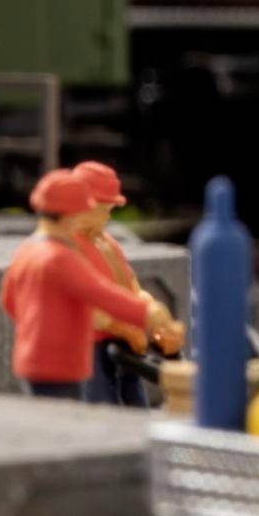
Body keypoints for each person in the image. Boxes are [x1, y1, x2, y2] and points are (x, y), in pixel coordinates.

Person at [1, 170, 175, 400]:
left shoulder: (25, 251)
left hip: (31, 357)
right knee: (73, 412)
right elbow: (99, 293)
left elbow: (9, 301)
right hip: (62, 360)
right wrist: (147, 313)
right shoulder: (60, 258)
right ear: (69, 216)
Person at [71, 161, 183, 407]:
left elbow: (131, 286)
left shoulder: (107, 243)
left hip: (125, 343)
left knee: (135, 402)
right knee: (101, 403)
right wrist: (122, 328)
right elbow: (81, 304)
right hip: (90, 345)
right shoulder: (69, 248)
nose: (108, 215)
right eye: (105, 209)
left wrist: (154, 321)